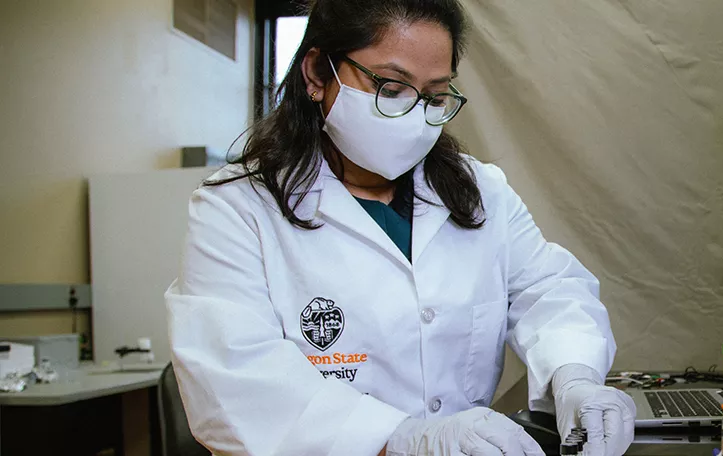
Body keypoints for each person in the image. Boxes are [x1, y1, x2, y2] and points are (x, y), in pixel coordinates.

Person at [164, 0, 635, 454]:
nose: (413, 115)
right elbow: (235, 382)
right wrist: (403, 440)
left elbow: (550, 292)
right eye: (390, 87)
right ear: (316, 73)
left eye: (434, 96)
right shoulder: (237, 207)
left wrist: (575, 378)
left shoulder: (480, 191)